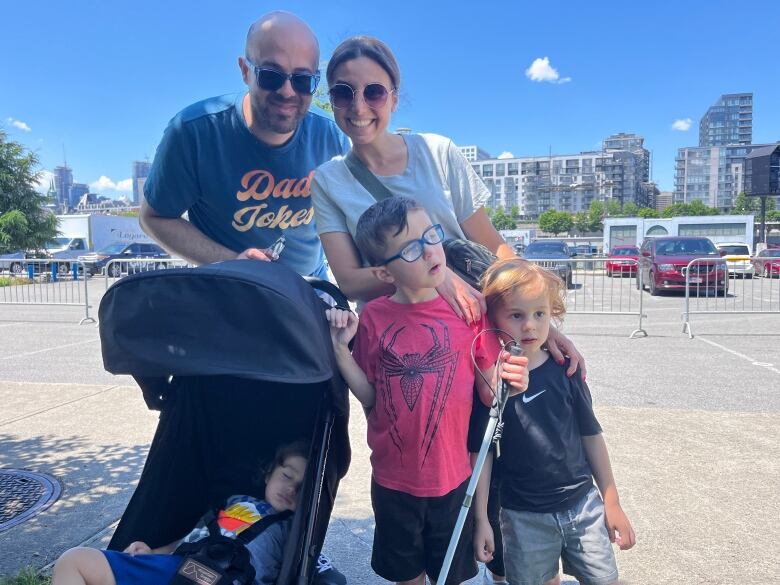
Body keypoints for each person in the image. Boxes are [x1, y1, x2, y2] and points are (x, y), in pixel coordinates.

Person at [310, 35, 585, 377]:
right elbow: (350, 281)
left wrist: (541, 325)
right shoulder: (328, 180)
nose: (359, 106)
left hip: (472, 332)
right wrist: (432, 276)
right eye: (343, 92)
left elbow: (492, 243)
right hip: (398, 343)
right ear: (331, 100)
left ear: (394, 98)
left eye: (374, 92)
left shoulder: (438, 152)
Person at [325, 197, 528, 585]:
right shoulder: (373, 318)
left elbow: (490, 396)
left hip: (454, 482)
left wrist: (513, 380)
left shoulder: (469, 312)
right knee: (407, 577)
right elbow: (371, 397)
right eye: (411, 248)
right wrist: (340, 351)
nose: (431, 250)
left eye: (430, 235)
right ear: (385, 274)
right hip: (392, 482)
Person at [140, 11, 349, 279]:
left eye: (302, 80)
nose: (287, 91)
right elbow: (154, 217)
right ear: (245, 70)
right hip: (231, 294)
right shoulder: (195, 133)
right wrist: (235, 263)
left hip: (310, 294)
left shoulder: (332, 138)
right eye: (271, 75)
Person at [474, 259, 636, 585]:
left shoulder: (567, 371)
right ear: (492, 317)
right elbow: (482, 454)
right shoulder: (491, 386)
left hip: (583, 506)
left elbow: (591, 435)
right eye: (516, 315)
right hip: (522, 516)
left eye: (539, 314)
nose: (530, 326)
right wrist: (481, 519)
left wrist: (612, 501)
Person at [53, 441, 309, 585]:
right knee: (74, 560)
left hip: (234, 580)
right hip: (181, 567)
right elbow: (190, 540)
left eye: (303, 488)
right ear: (268, 475)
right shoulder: (231, 502)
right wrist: (153, 552)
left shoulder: (294, 527)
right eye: (287, 476)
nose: (291, 488)